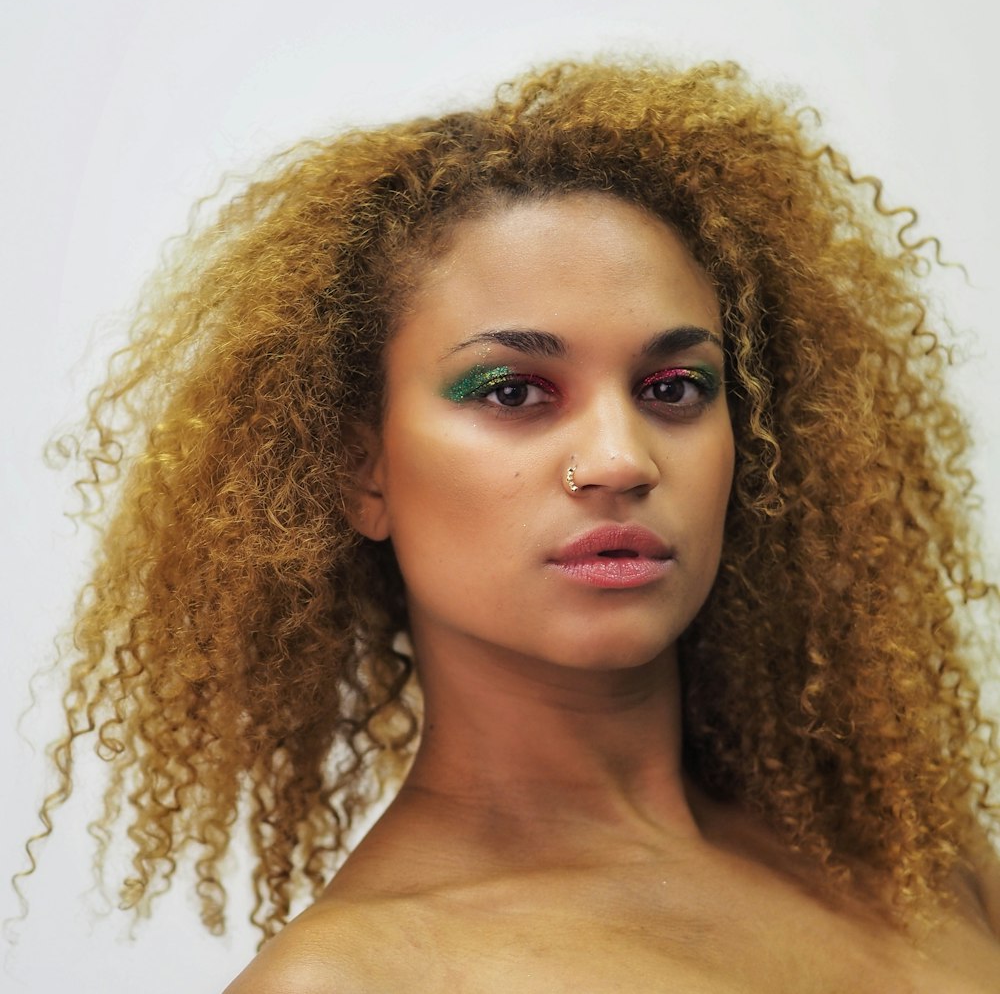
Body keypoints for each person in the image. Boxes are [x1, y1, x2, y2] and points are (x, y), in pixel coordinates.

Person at [18, 59, 1000, 990]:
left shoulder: (917, 856)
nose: (619, 458)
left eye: (672, 386)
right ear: (360, 465)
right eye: (513, 389)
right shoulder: (363, 977)